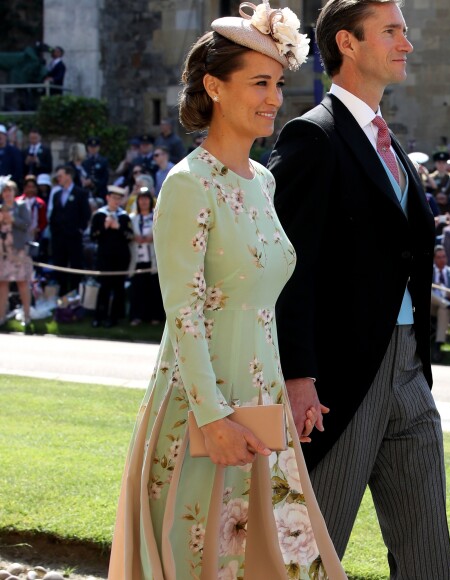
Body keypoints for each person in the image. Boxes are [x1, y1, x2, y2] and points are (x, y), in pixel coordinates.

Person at [108, 3, 346, 579]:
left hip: (263, 402)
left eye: (278, 83)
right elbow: (182, 314)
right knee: (205, 558)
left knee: (275, 561)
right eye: (258, 83)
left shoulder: (263, 180)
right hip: (202, 406)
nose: (273, 97)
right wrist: (213, 418)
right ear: (214, 86)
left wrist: (291, 388)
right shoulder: (187, 185)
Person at [268, 0, 450, 576]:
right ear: (347, 44)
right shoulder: (312, 137)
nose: (407, 42)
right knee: (310, 557)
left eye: (406, 30)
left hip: (408, 371)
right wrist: (298, 375)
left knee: (428, 553)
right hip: (341, 383)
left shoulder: (391, 143)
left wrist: (418, 363)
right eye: (392, 31)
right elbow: (287, 269)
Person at [90, 185, 132, 328]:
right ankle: (98, 317)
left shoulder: (124, 216)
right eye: (114, 198)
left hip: (120, 257)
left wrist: (118, 228)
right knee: (104, 288)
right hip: (104, 257)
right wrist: (105, 227)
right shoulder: (99, 215)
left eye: (119, 199)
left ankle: (114, 318)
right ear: (107, 198)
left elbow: (129, 236)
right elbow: (93, 235)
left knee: (118, 288)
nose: (116, 201)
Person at [48, 165, 92, 295]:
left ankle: (74, 293)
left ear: (68, 176)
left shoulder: (81, 193)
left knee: (75, 265)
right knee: (59, 264)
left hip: (74, 237)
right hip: (59, 238)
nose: (58, 179)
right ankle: (62, 293)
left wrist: (79, 229)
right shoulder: (56, 194)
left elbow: (86, 214)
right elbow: (53, 216)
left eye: (60, 176)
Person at [127, 188, 163, 326]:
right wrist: (133, 237)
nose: (143, 202)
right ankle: (136, 316)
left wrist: (152, 238)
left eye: (146, 199)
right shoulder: (132, 218)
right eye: (141, 199)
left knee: (154, 290)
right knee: (137, 290)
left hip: (153, 261)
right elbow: (126, 234)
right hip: (137, 259)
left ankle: (155, 317)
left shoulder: (157, 216)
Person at [0, 178, 33, 328]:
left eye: (10, 190)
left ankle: (26, 316)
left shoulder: (21, 206)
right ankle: (1, 316)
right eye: (4, 191)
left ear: (14, 192)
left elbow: (27, 224)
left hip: (19, 251)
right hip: (3, 252)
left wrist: (13, 219)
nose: (7, 194)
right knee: (2, 284)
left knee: (22, 283)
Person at [82, 136, 110, 201]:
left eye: (95, 147)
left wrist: (94, 183)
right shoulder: (84, 161)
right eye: (91, 147)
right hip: (86, 190)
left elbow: (105, 177)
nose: (93, 149)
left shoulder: (103, 161)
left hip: (100, 191)